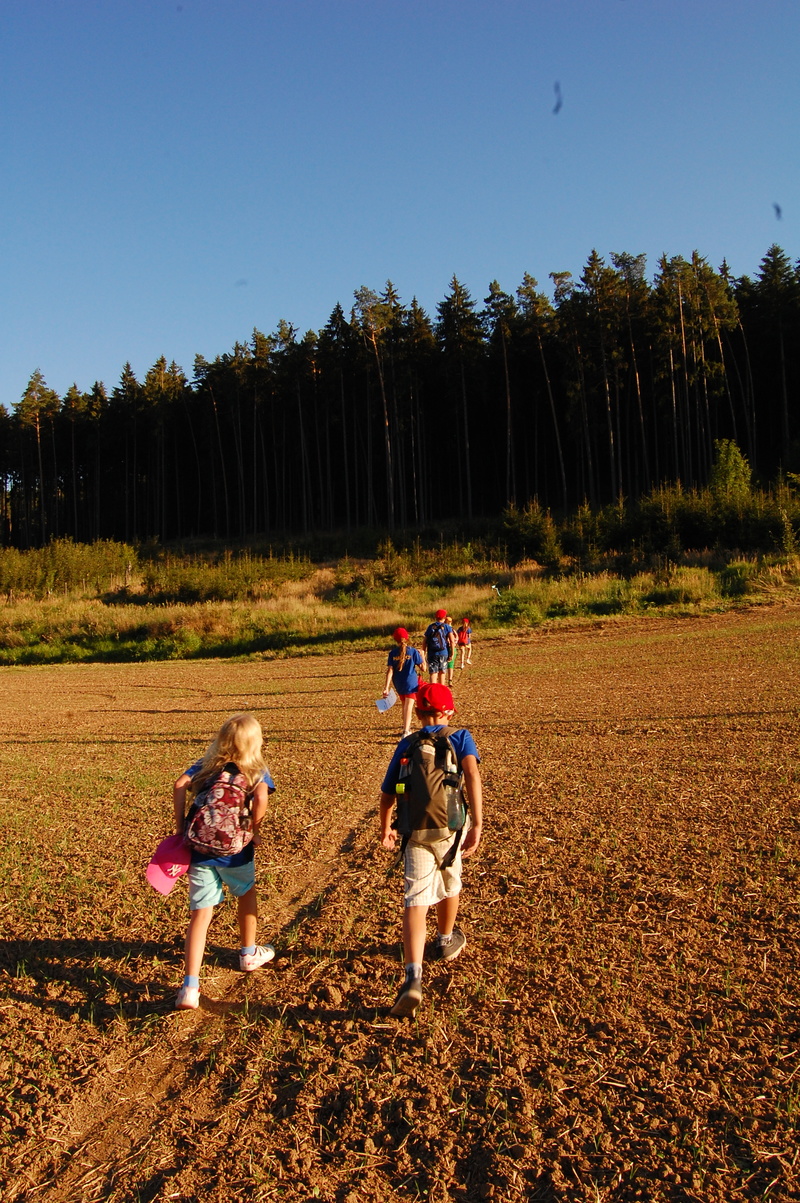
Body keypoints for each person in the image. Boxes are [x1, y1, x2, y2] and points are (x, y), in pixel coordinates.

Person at [378, 682, 483, 1018]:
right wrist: (477, 823)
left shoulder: (407, 743)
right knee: (450, 884)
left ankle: (413, 976)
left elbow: (389, 792)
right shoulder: (461, 737)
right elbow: (472, 774)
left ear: (419, 713)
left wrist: (386, 826)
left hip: (414, 831)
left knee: (415, 900)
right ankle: (445, 939)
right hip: (451, 830)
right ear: (448, 711)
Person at [172, 712, 276, 1010]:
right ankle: (248, 953)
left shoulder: (206, 765)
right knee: (246, 893)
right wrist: (254, 830)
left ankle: (190, 987)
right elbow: (261, 798)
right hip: (236, 850)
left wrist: (180, 828)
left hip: (200, 848)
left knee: (200, 914)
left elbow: (180, 784)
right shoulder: (256, 769)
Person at [382, 626, 425, 737]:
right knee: (408, 708)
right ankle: (406, 731)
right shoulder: (413, 651)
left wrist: (386, 687)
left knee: (404, 706)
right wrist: (423, 656)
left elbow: (390, 670)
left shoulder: (392, 653)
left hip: (399, 684)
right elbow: (423, 668)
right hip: (411, 683)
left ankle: (406, 728)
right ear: (407, 637)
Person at [423, 608, 456, 685]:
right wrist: (452, 653)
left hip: (432, 653)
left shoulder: (430, 627)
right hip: (443, 653)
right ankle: (441, 690)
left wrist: (423, 653)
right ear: (444, 617)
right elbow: (452, 641)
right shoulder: (447, 627)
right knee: (442, 673)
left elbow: (424, 641)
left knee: (433, 673)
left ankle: (433, 691)